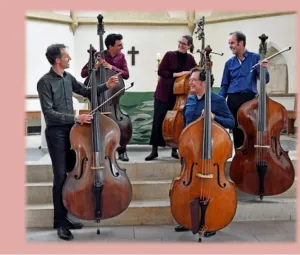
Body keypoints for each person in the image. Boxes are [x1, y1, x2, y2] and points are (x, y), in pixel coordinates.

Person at [37, 43, 119, 241]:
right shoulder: (45, 82)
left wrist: (104, 86)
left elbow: (84, 90)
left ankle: (67, 215)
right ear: (57, 60)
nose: (69, 59)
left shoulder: (67, 78)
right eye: (66, 56)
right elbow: (49, 114)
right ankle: (60, 222)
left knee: (72, 175)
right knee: (60, 177)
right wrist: (77, 118)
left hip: (73, 133)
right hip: (56, 133)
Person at [174, 67, 235, 237]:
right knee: (188, 188)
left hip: (211, 154)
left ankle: (212, 222)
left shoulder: (218, 100)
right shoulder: (191, 99)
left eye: (193, 80)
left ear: (204, 83)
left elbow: (232, 122)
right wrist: (182, 147)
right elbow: (187, 124)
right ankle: (188, 220)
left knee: (209, 188)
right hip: (191, 154)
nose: (190, 83)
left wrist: (215, 117)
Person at [145, 35, 197, 161]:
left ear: (189, 46)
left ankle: (174, 148)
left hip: (178, 95)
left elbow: (196, 70)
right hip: (163, 93)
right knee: (159, 120)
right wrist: (179, 74)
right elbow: (161, 71)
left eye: (184, 43)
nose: (181, 45)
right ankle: (154, 150)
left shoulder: (190, 58)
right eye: (180, 42)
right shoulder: (169, 55)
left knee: (176, 122)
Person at [81, 33, 130, 162]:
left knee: (122, 123)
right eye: (119, 45)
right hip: (98, 103)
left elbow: (126, 75)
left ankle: (122, 149)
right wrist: (94, 66)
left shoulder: (121, 57)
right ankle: (97, 149)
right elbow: (83, 73)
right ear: (110, 46)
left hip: (113, 102)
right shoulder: (97, 56)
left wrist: (111, 67)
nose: (122, 47)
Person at [219, 31, 269, 149]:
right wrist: (220, 102)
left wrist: (264, 69)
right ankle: (239, 159)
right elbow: (224, 85)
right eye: (229, 43)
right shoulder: (228, 63)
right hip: (233, 100)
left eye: (232, 43)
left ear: (241, 43)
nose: (230, 46)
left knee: (250, 130)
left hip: (249, 100)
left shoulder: (256, 58)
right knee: (236, 131)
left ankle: (251, 158)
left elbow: (265, 80)